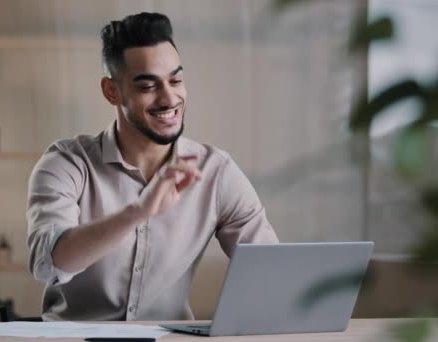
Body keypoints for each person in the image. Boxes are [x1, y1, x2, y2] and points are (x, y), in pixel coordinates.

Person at [26, 12, 278, 321]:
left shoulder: (216, 171)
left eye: (176, 80)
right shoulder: (67, 163)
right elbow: (50, 262)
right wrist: (138, 211)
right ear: (111, 91)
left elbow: (269, 268)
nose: (169, 97)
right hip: (78, 338)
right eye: (148, 86)